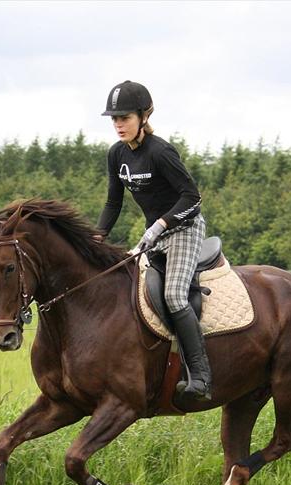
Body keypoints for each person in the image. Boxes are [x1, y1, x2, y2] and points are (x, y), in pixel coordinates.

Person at [94, 80, 211, 401]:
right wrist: (96, 237)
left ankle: (200, 376)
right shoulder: (116, 154)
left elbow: (193, 198)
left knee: (173, 296)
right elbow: (112, 204)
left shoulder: (161, 152)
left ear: (143, 117)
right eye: (114, 120)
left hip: (184, 229)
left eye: (125, 118)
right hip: (155, 236)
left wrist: (160, 224)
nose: (119, 125)